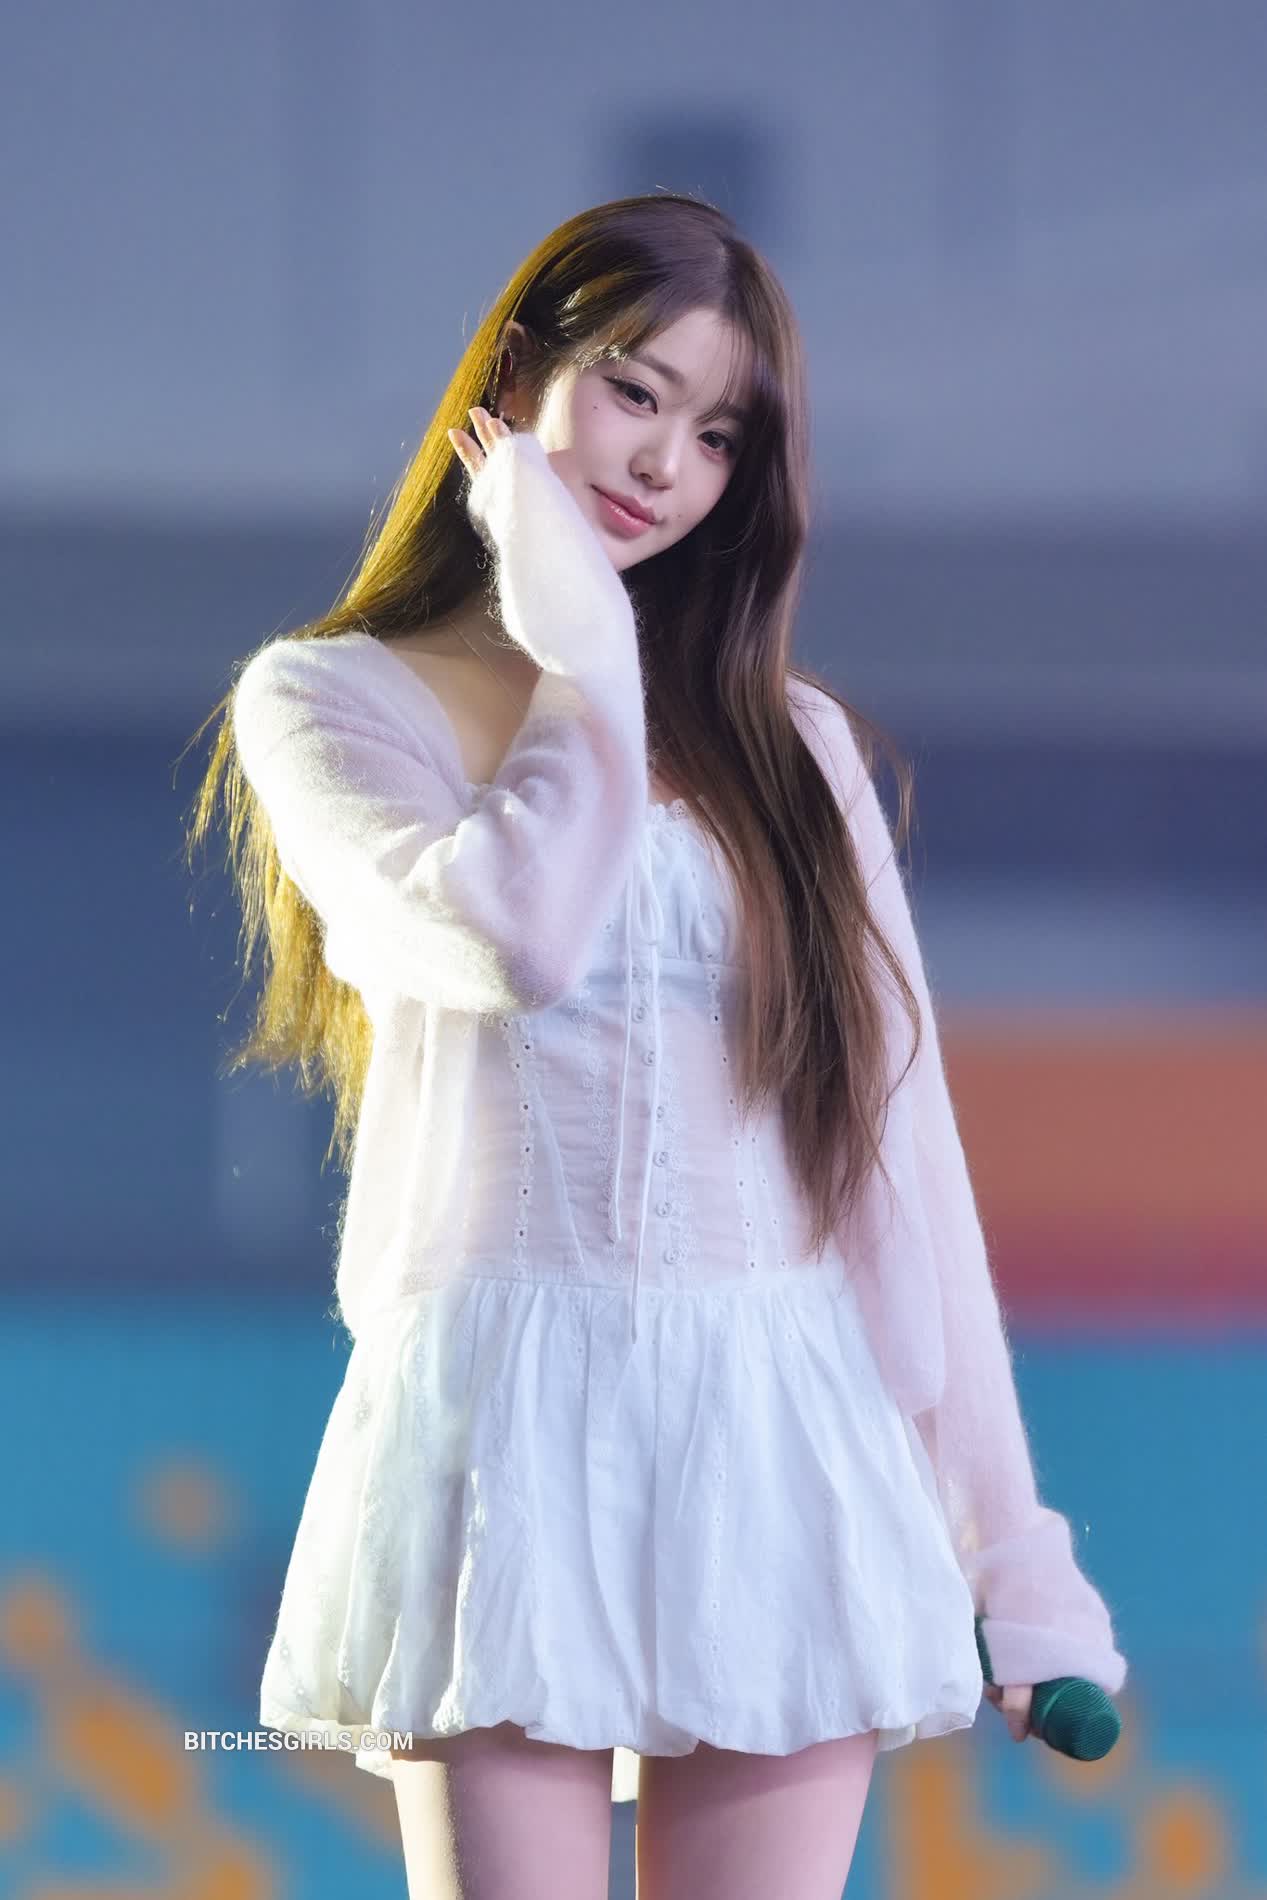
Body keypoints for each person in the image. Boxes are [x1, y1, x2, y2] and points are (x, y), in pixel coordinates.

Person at [186, 193, 1127, 1899]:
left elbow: (899, 1159)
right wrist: (575, 634)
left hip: (784, 1414)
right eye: (635, 390)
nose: (663, 465)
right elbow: (514, 935)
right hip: (504, 1416)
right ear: (519, 375)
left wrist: (1017, 1559)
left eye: (716, 437)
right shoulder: (329, 700)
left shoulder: (793, 745)